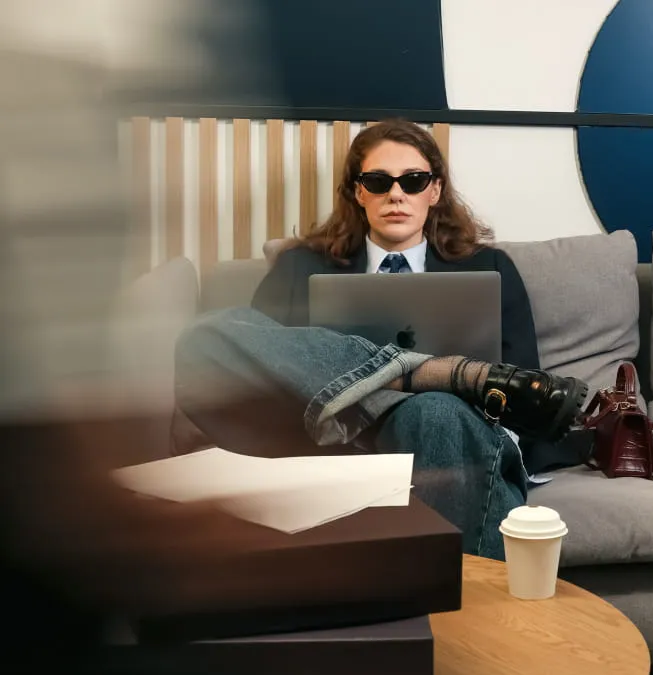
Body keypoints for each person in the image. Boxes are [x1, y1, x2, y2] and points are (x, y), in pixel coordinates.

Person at [175, 120, 589, 560]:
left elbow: (527, 395)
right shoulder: (299, 268)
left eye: (413, 181)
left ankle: (433, 386)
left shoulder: (491, 267)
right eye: (378, 181)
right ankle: (438, 374)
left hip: (447, 434)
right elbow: (258, 373)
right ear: (358, 193)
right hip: (330, 434)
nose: (396, 194)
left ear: (434, 191)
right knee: (201, 339)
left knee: (435, 411)